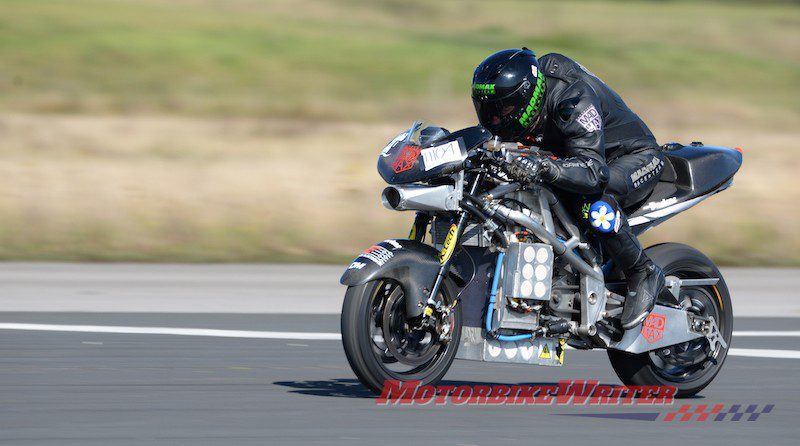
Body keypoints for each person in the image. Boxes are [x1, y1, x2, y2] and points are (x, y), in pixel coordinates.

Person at [471, 48, 665, 331]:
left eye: (504, 110)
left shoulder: (572, 98)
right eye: (488, 110)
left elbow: (593, 172)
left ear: (529, 98)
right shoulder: (516, 108)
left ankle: (642, 271)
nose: (495, 120)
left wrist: (546, 167)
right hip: (571, 158)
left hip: (629, 157)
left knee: (593, 206)